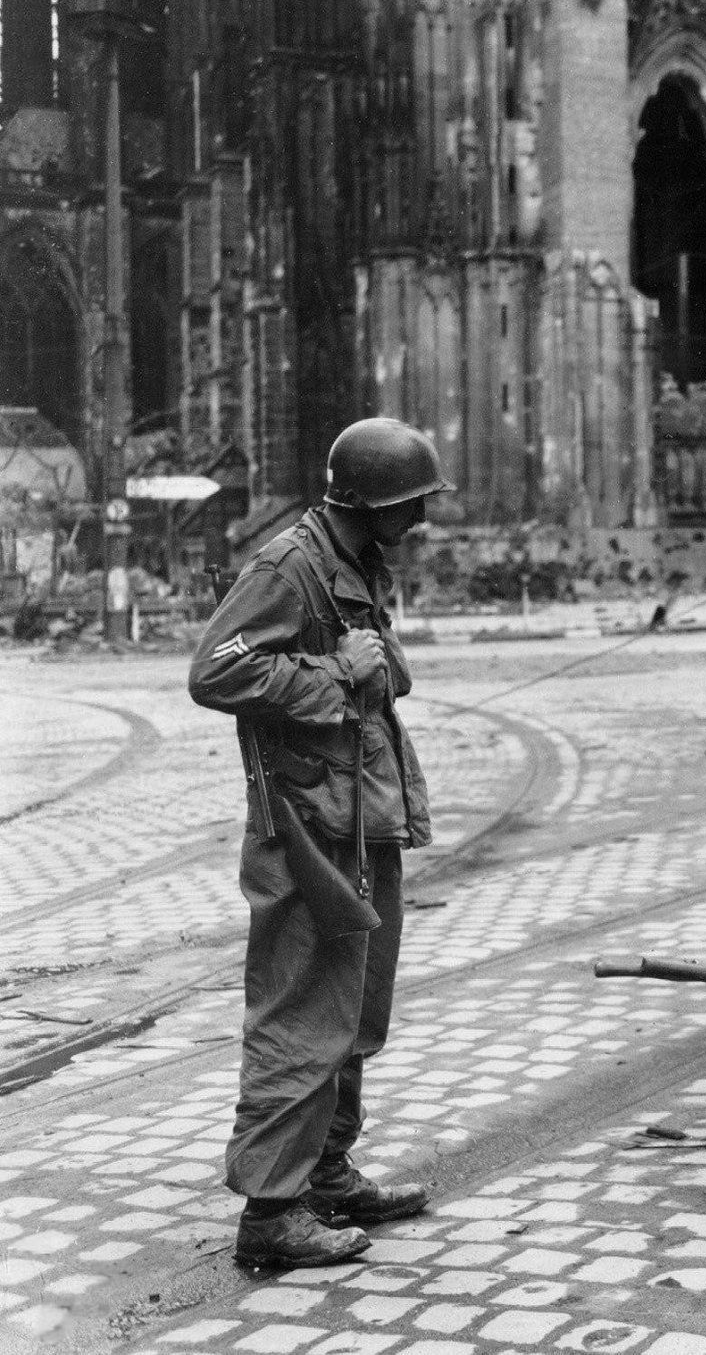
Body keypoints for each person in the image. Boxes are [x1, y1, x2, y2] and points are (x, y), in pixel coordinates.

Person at [189, 417, 450, 1268]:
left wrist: (372, 664)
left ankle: (327, 1175)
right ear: (367, 502)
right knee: (301, 1013)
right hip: (305, 826)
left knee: (355, 1009)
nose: (421, 518)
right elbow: (214, 672)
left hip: (359, 814)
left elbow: (386, 672)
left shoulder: (355, 561)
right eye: (410, 502)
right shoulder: (287, 567)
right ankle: (272, 1212)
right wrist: (339, 672)